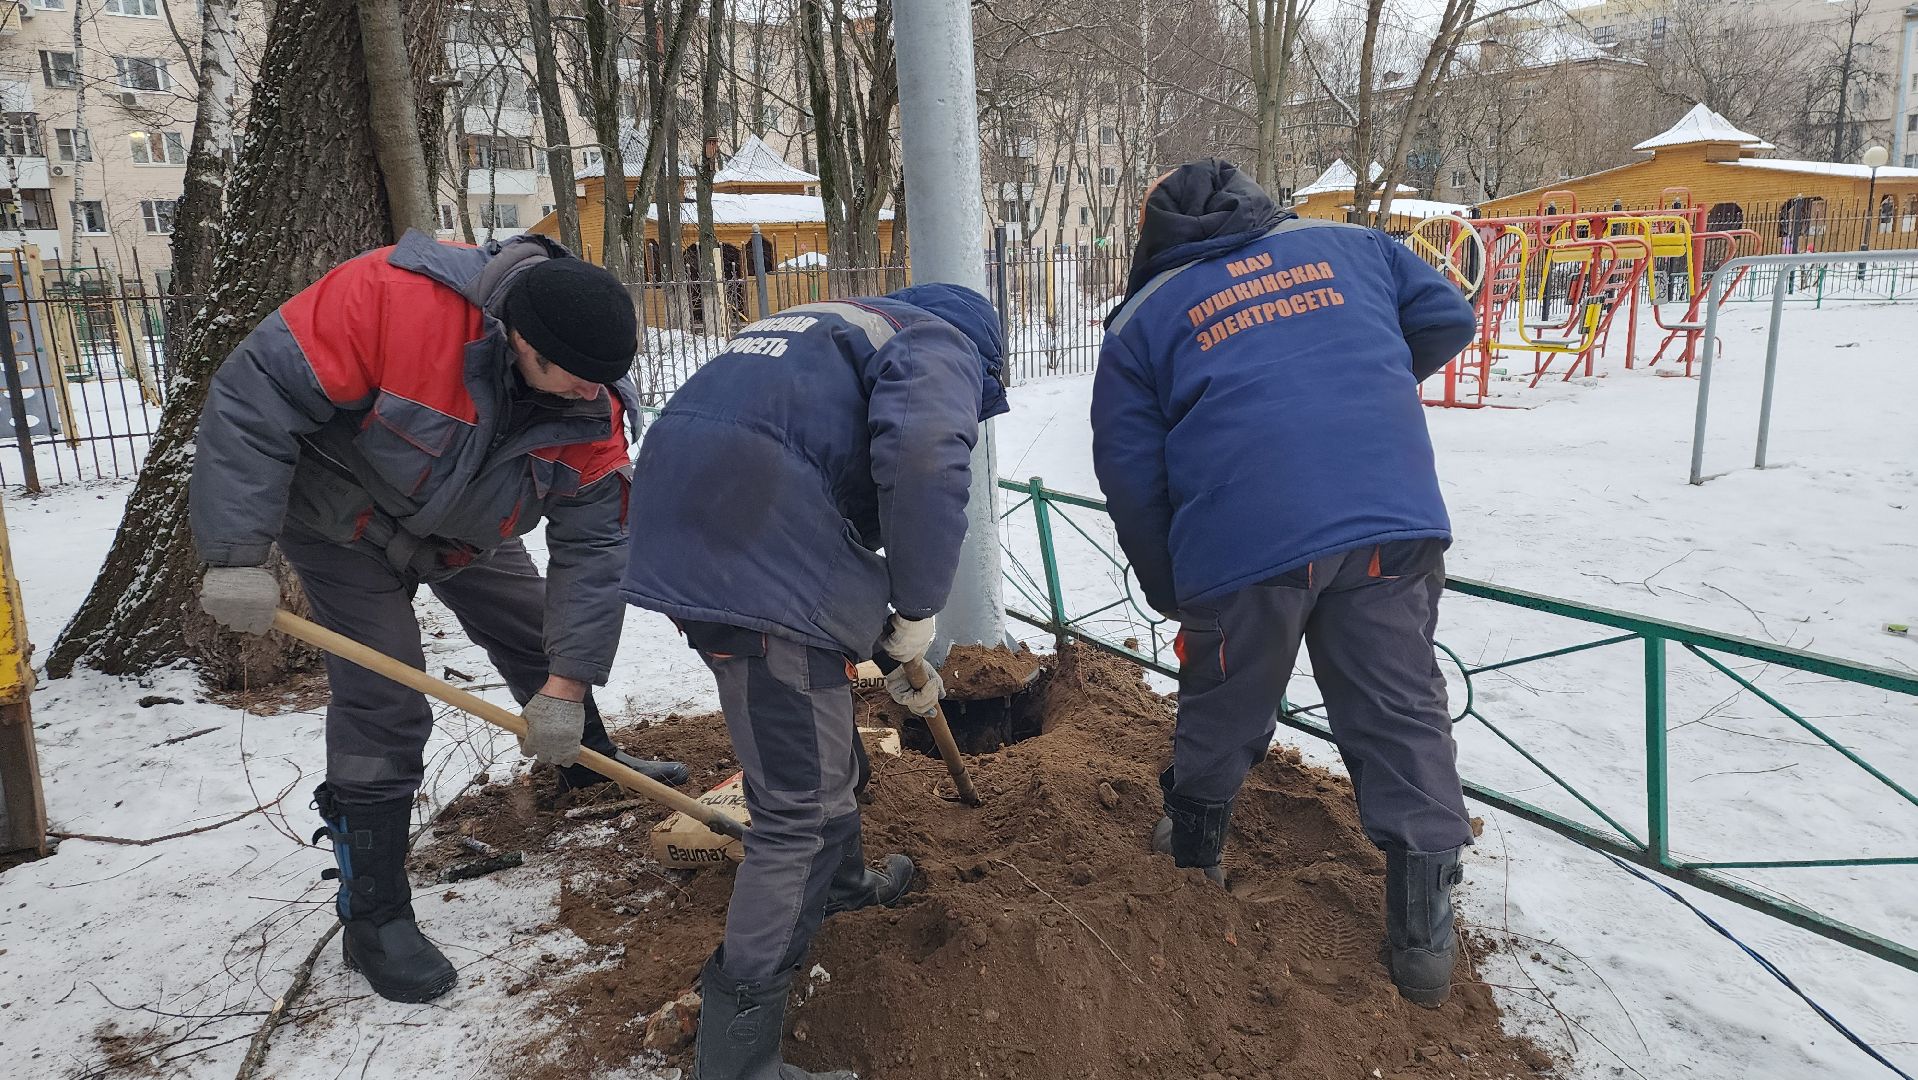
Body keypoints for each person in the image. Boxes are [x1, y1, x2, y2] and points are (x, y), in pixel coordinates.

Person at [188, 231, 689, 1005]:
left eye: (605, 382)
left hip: (466, 534)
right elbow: (258, 395)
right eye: (577, 379)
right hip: (342, 524)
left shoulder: (592, 406)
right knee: (385, 697)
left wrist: (565, 686)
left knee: (536, 633)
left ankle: (583, 762)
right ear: (520, 339)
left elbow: (593, 553)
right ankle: (375, 914)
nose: (593, 395)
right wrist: (234, 552)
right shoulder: (395, 299)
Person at [1091, 160, 1479, 1007]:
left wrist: (1174, 589)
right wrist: (1354, 387)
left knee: (1226, 699)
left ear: (1150, 236)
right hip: (1389, 519)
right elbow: (1449, 316)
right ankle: (1422, 943)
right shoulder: (1356, 246)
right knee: (1401, 708)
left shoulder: (1144, 320)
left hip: (1246, 538)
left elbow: (1131, 477)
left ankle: (1192, 855)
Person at [623, 284, 1008, 1079]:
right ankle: (738, 1059)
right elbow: (925, 456)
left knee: (819, 750)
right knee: (798, 806)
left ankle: (843, 884)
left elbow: (809, 469)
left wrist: (884, 633)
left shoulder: (827, 329)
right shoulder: (940, 341)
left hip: (694, 527)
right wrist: (918, 603)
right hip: (757, 547)